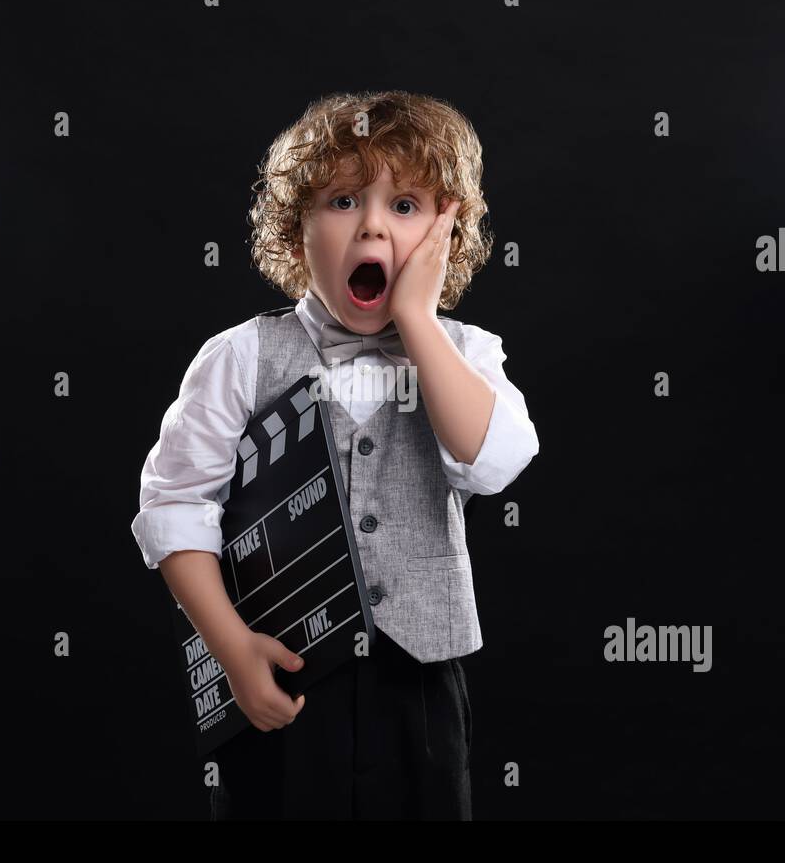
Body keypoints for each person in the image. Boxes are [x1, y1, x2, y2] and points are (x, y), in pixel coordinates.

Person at [131, 90, 540, 819]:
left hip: (419, 687)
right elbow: (174, 509)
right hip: (280, 677)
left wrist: (417, 316)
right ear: (295, 231)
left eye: (407, 206)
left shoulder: (466, 354)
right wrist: (231, 649)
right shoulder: (240, 356)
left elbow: (494, 461)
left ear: (447, 232)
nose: (375, 225)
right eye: (345, 200)